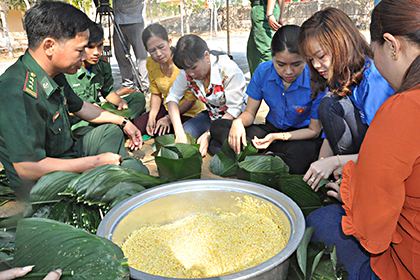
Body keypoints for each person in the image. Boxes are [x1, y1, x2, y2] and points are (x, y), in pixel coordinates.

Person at [305, 0, 420, 279]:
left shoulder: (402, 107)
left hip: (408, 264)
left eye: (375, 49)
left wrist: (350, 190)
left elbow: (373, 230)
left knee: (318, 225)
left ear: (391, 45)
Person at [0, 2, 146, 200]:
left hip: (66, 154)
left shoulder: (53, 72)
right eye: (79, 50)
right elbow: (27, 168)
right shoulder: (16, 90)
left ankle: (106, 176)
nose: (85, 56)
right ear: (50, 46)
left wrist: (124, 122)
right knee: (134, 172)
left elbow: (81, 107)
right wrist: (93, 163)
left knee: (110, 131)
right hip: (42, 182)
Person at [297, 7, 394, 188]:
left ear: (342, 45)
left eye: (320, 56)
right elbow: (330, 134)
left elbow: (387, 151)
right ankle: (342, 179)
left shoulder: (373, 78)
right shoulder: (340, 75)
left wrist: (335, 162)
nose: (316, 65)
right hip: (361, 154)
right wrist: (319, 170)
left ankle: (352, 181)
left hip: (380, 160)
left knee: (330, 103)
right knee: (330, 103)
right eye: (311, 59)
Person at [210, 25, 325, 175]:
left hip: (298, 136)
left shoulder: (316, 80)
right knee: (218, 126)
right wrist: (238, 123)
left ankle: (251, 157)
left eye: (296, 64)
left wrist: (276, 137)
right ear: (272, 57)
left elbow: (314, 131)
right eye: (281, 64)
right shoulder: (263, 71)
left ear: (306, 58)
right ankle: (268, 159)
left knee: (304, 154)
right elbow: (250, 113)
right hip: (269, 130)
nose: (288, 71)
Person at [166, 34, 248, 157]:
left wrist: (209, 134)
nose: (191, 74)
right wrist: (179, 132)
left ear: (206, 56)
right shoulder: (188, 73)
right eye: (186, 70)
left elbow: (234, 110)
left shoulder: (228, 70)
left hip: (234, 119)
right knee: (186, 136)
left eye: (194, 68)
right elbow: (172, 99)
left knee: (222, 149)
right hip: (211, 115)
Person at [65, 23, 146, 135]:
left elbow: (107, 91)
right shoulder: (67, 70)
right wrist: (88, 109)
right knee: (95, 130)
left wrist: (120, 102)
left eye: (100, 46)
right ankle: (120, 126)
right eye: (90, 47)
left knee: (139, 97)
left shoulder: (102, 64)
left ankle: (119, 125)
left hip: (102, 112)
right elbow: (65, 109)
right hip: (82, 120)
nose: (96, 52)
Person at [131, 24, 205, 137]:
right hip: (167, 108)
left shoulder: (182, 63)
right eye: (152, 50)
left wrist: (169, 118)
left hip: (188, 112)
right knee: (138, 126)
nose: (158, 54)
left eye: (161, 47)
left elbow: (190, 100)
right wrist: (152, 116)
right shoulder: (151, 63)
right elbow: (155, 93)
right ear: (146, 50)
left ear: (169, 42)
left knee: (183, 134)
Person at [113, 0, 149, 95]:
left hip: (135, 20)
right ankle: (128, 85)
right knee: (120, 54)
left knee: (141, 55)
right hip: (118, 21)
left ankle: (144, 85)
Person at [247, 0, 285, 76]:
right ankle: (257, 83)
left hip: (264, 9)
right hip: (272, 8)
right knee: (253, 52)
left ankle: (276, 82)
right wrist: (280, 15)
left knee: (266, 52)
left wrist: (269, 14)